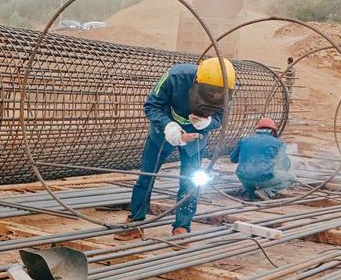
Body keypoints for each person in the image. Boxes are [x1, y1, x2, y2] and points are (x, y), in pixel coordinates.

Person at [115, 57, 236, 241]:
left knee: (191, 181)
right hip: (163, 133)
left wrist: (209, 122)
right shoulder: (175, 76)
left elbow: (221, 117)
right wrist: (168, 126)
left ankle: (182, 227)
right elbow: (151, 105)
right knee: (147, 175)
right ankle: (136, 222)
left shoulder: (225, 88)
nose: (214, 96)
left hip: (196, 137)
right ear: (196, 81)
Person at [229, 118, 295, 200]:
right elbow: (285, 164)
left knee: (250, 174)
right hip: (263, 178)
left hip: (243, 177)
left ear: (257, 129)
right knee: (291, 178)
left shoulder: (244, 140)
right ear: (272, 131)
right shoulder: (278, 143)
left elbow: (233, 159)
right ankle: (266, 192)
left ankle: (248, 191)